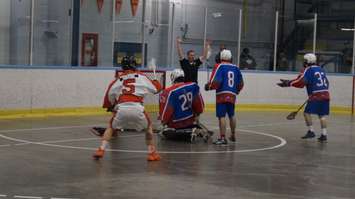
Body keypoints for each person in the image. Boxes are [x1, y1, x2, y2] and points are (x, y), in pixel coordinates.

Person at [93, 56, 163, 161]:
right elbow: (157, 89)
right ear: (134, 65)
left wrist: (110, 106)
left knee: (111, 127)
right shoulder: (141, 76)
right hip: (137, 108)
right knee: (148, 129)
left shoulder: (117, 80)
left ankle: (101, 149)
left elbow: (109, 96)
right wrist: (155, 81)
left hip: (121, 108)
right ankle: (151, 153)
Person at [277, 53, 330, 142]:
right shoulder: (321, 69)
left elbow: (301, 81)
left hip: (315, 96)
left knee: (306, 113)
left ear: (308, 61)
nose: (303, 62)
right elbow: (327, 83)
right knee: (322, 116)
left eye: (304, 60)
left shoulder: (308, 70)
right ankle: (324, 135)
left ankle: (311, 131)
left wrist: (288, 83)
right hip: (325, 94)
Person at [159, 69, 212, 142]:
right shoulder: (193, 86)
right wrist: (197, 115)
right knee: (190, 124)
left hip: (176, 123)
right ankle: (197, 130)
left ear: (173, 78)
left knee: (164, 133)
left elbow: (167, 111)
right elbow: (200, 105)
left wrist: (163, 121)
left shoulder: (170, 91)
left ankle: (189, 134)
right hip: (190, 120)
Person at [205, 49, 244, 145]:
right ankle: (233, 134)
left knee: (221, 116)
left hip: (222, 94)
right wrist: (236, 91)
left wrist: (208, 86)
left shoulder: (219, 66)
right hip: (232, 94)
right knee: (231, 115)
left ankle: (223, 138)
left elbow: (216, 81)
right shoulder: (236, 68)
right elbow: (241, 83)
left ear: (221, 57)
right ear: (231, 58)